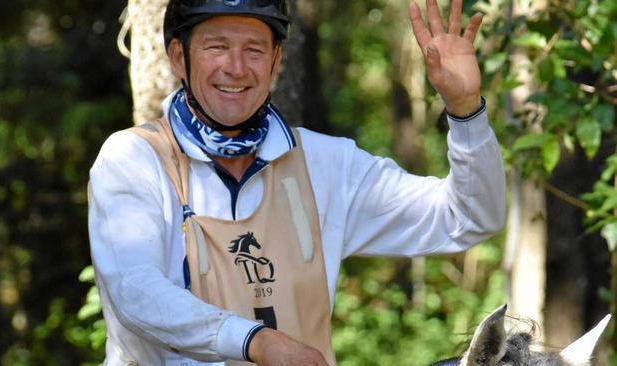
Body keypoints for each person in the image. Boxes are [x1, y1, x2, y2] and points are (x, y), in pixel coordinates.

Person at [87, 0, 506, 365]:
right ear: (178, 57)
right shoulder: (134, 159)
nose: (235, 67)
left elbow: (468, 218)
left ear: (276, 61)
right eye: (216, 47)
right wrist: (255, 342)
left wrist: (465, 110)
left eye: (254, 49)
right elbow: (134, 290)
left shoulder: (328, 165)